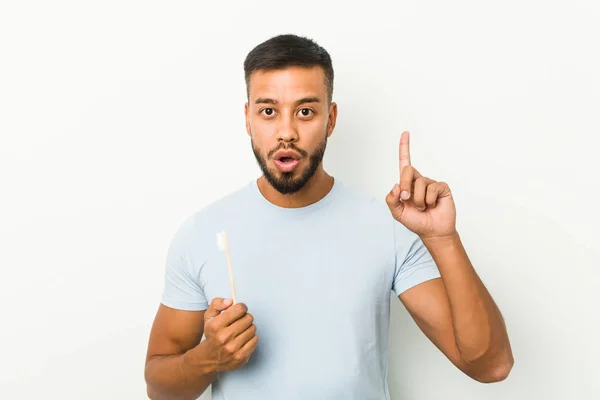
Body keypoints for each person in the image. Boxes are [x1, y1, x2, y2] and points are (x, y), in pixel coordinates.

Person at [144, 34, 514, 400]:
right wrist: (207, 359)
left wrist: (442, 239)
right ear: (248, 119)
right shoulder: (203, 233)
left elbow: (490, 365)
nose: (286, 132)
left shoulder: (388, 227)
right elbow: (158, 388)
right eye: (268, 111)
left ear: (331, 119)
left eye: (305, 111)